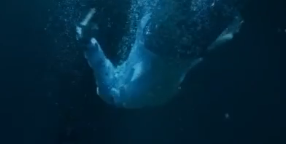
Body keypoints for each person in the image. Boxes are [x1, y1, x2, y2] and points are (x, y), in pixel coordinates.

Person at [76, 7, 242, 109]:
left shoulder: (157, 97)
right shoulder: (120, 93)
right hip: (162, 43)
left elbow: (100, 66)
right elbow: (100, 66)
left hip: (176, 48)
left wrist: (86, 40)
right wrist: (86, 39)